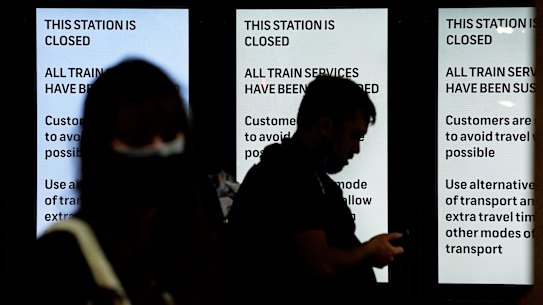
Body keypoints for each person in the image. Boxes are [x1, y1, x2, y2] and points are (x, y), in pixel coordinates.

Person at [33, 58, 227, 305]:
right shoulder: (61, 255)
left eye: (169, 135)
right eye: (139, 137)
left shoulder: (203, 252)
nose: (158, 148)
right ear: (101, 147)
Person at [226, 75, 405, 305]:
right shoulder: (290, 175)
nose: (357, 149)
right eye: (354, 136)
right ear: (324, 126)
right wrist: (367, 252)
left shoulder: (303, 173)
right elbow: (320, 264)